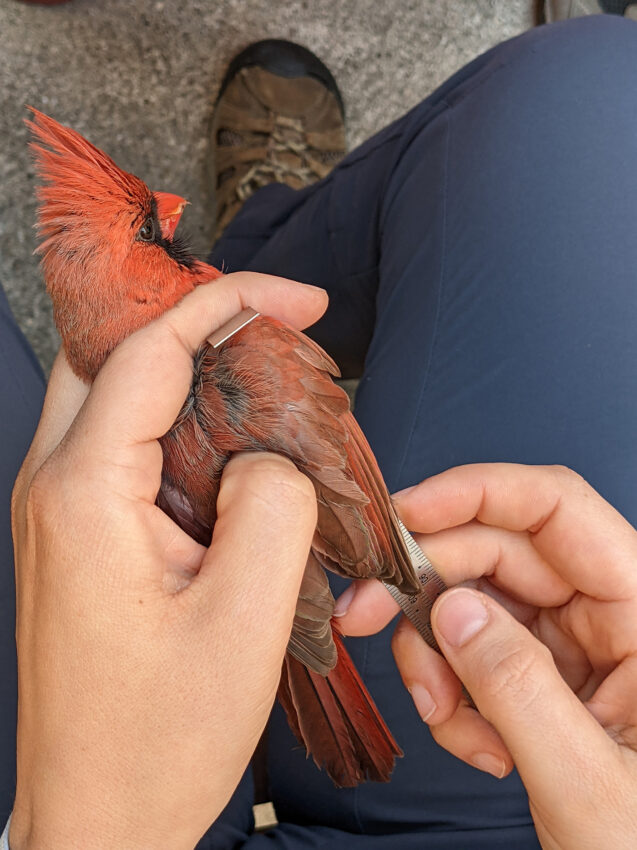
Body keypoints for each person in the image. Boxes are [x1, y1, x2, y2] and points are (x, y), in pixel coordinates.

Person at [2, 13, 637, 849]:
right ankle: (267, 219)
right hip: (496, 788)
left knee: (589, 73)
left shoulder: (119, 388)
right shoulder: (253, 351)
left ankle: (262, 223)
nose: (164, 209)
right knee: (593, 76)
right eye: (156, 230)